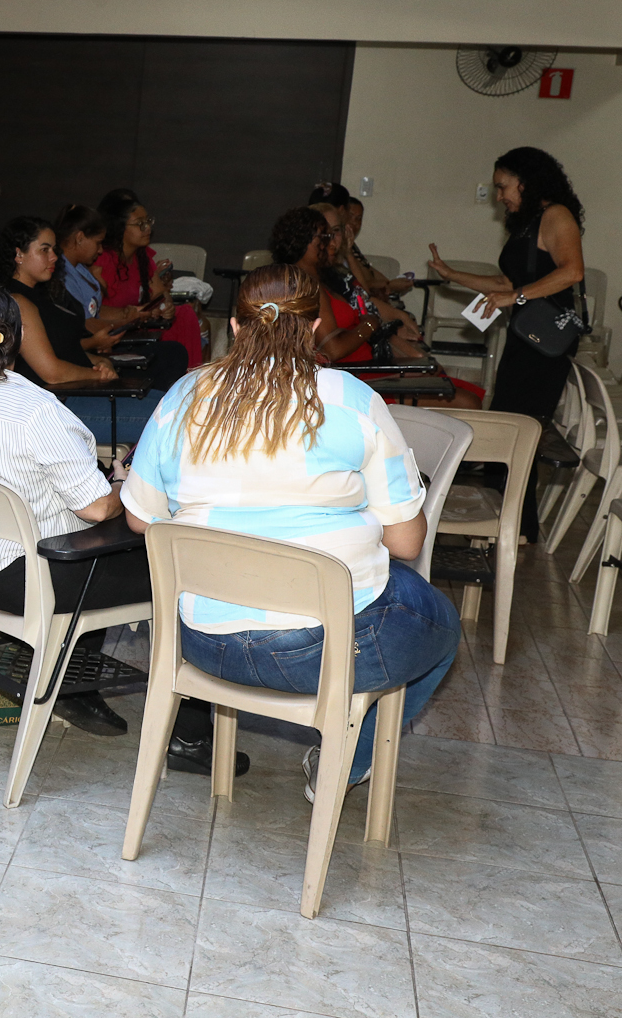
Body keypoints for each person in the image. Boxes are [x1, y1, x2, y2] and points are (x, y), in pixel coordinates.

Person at [122, 264, 461, 800]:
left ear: (234, 327)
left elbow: (141, 520)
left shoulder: (184, 395)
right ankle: (346, 759)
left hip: (202, 643)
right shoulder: (350, 399)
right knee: (440, 627)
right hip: (323, 651)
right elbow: (406, 543)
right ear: (314, 326)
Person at [0, 286, 247, 768]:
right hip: (35, 580)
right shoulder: (38, 411)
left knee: (83, 536)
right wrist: (128, 490)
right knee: (182, 567)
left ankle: (75, 687)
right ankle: (189, 737)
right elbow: (96, 509)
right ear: (21, 338)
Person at [429, 146, 588, 540]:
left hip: (545, 343)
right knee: (510, 426)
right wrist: (452, 275)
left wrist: (516, 298)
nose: (499, 196)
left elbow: (572, 271)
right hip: (525, 337)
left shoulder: (556, 216)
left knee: (520, 431)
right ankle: (510, 520)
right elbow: (506, 284)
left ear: (526, 180)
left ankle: (516, 525)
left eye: (503, 187)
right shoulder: (530, 221)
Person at [0, 216, 180, 446]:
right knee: (173, 419)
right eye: (44, 250)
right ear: (18, 255)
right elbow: (51, 372)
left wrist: (95, 360)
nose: (54, 257)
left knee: (172, 404)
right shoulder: (17, 301)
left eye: (54, 250)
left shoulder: (36, 294)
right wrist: (96, 374)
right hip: (54, 408)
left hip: (73, 393)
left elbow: (55, 348)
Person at [273, 208, 482, 410]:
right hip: (356, 380)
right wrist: (369, 325)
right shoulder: (308, 285)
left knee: (450, 383)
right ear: (306, 241)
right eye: (326, 236)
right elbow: (332, 350)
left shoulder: (322, 279)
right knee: (468, 401)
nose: (332, 242)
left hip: (365, 371)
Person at [93, 189, 203, 369]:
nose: (148, 229)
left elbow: (160, 294)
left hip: (139, 324)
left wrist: (164, 307)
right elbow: (92, 311)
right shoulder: (102, 259)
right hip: (116, 332)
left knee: (184, 313)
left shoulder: (141, 257)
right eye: (140, 224)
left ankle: (191, 380)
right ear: (120, 228)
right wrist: (129, 313)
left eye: (148, 222)